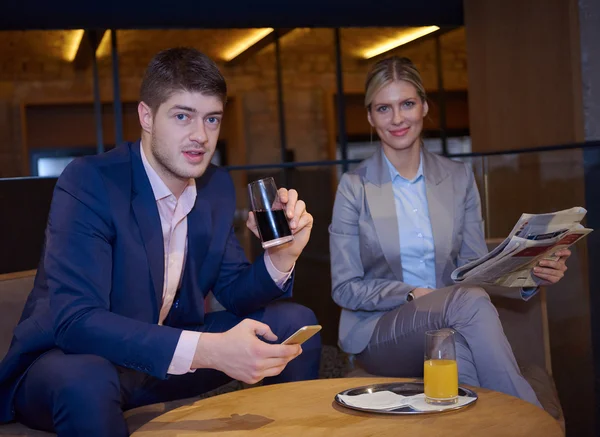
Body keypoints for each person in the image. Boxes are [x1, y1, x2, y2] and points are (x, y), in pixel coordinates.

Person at [0, 47, 321, 436]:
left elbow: (234, 291)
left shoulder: (216, 186)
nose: (200, 136)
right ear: (147, 117)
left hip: (164, 359)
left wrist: (281, 259)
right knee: (86, 378)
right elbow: (76, 321)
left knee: (294, 321)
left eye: (212, 119)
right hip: (70, 362)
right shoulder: (90, 181)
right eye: (182, 116)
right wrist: (209, 350)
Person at [329, 56, 570, 407]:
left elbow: (473, 267)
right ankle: (534, 422)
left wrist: (530, 274)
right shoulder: (354, 187)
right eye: (384, 108)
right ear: (370, 117)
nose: (397, 118)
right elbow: (344, 287)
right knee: (467, 301)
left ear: (424, 107)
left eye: (407, 104)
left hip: (451, 324)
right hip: (380, 333)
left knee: (457, 354)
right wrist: (411, 292)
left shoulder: (458, 178)